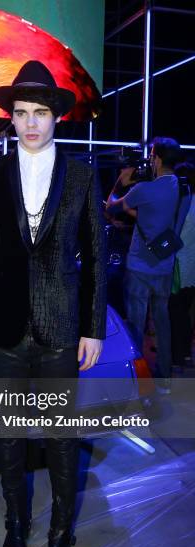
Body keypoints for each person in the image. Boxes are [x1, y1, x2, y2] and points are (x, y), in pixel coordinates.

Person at [0, 61, 107, 547]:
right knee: (9, 438)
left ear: (56, 117)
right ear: (12, 118)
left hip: (62, 328)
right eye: (21, 113)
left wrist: (93, 328)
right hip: (2, 329)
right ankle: (16, 529)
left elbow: (95, 255)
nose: (30, 123)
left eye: (40, 112)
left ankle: (61, 535)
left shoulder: (84, 175)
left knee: (63, 441)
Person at [106, 137, 190, 393]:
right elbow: (159, 216)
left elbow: (112, 206)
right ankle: (164, 379)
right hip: (165, 264)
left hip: (140, 266)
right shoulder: (183, 189)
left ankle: (135, 382)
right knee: (162, 321)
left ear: (157, 158)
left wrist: (122, 180)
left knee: (135, 323)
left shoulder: (145, 190)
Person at [169, 162, 195, 369]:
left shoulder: (182, 203)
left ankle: (177, 356)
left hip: (179, 264)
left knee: (176, 312)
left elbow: (174, 233)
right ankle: (185, 353)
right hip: (192, 266)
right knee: (185, 312)